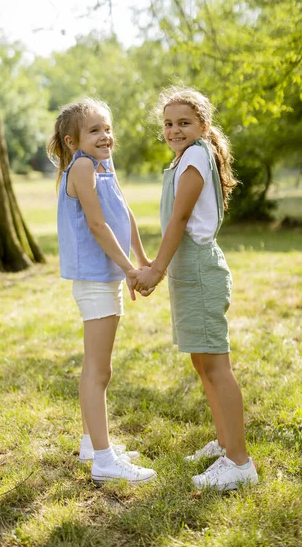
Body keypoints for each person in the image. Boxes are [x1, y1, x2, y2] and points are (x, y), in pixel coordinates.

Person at [129, 86, 258, 491]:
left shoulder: (196, 156)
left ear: (203, 126)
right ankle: (224, 443)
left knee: (217, 366)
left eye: (184, 122)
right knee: (201, 363)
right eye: (168, 124)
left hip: (199, 269)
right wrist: (152, 262)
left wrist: (156, 272)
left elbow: (180, 220)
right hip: (188, 269)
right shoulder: (185, 158)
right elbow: (174, 224)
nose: (174, 129)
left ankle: (240, 463)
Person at [47, 98, 157, 484]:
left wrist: (141, 258)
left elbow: (123, 211)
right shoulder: (80, 167)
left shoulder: (103, 166)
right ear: (72, 139)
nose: (105, 136)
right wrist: (129, 270)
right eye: (94, 130)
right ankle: (104, 460)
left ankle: (91, 444)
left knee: (99, 367)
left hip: (106, 274)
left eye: (107, 128)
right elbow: (96, 224)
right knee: (98, 370)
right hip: (95, 278)